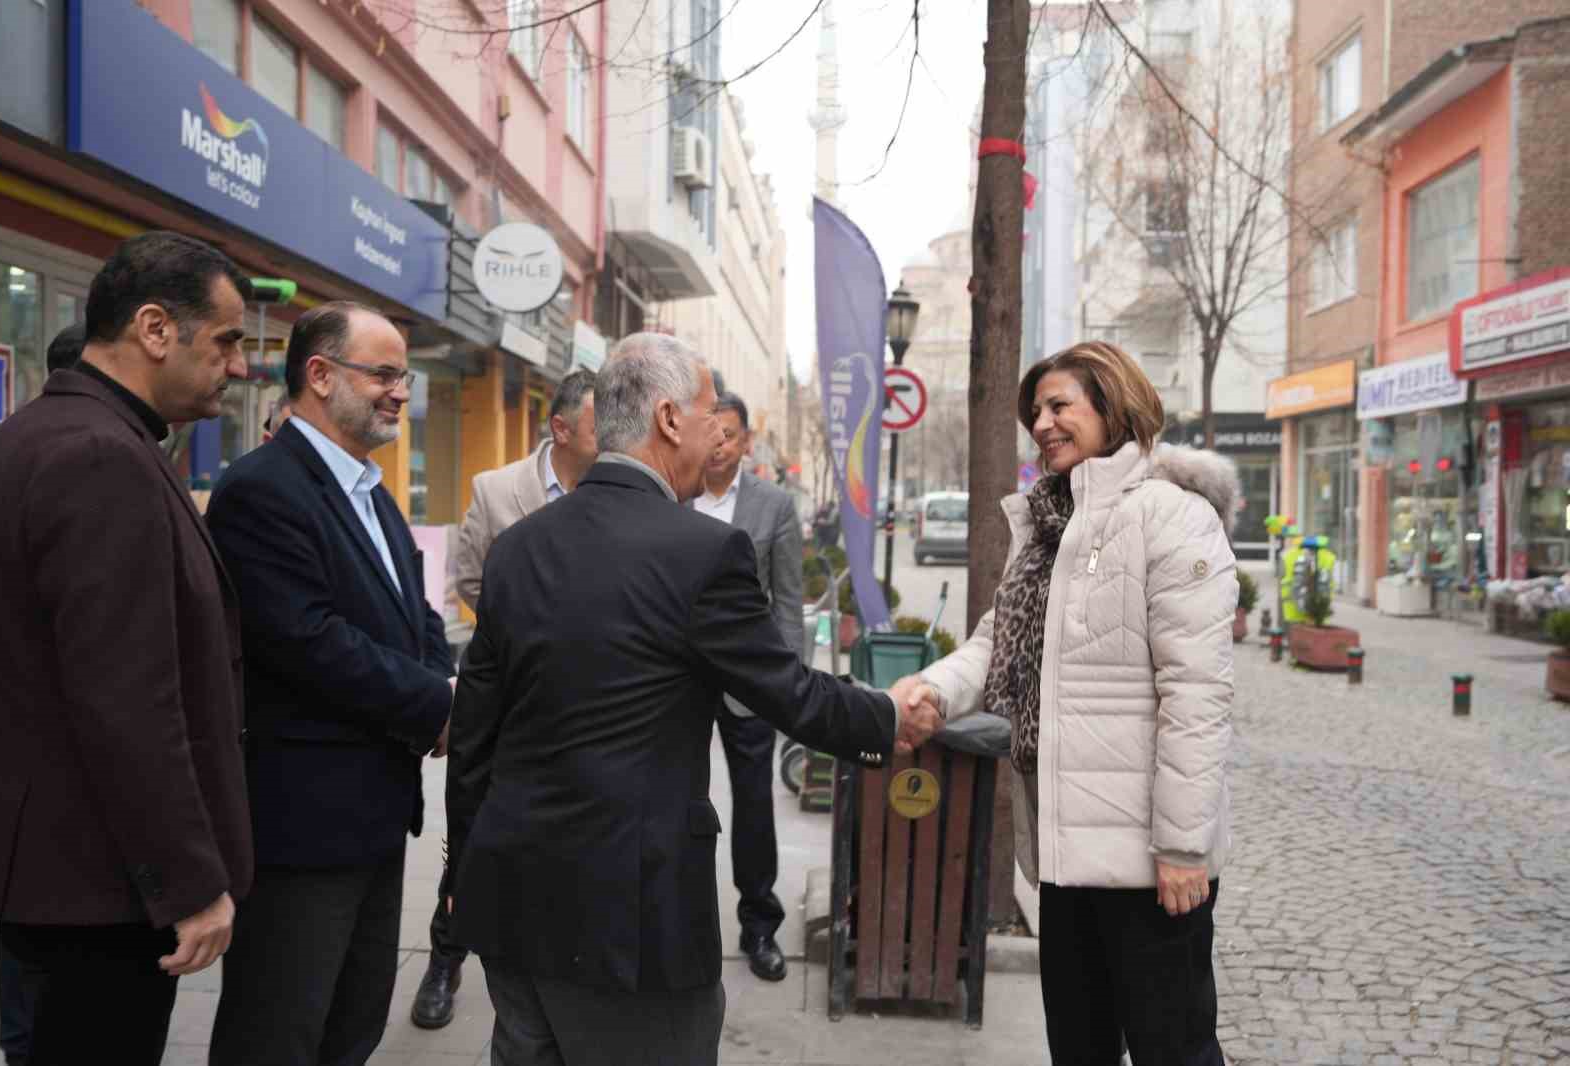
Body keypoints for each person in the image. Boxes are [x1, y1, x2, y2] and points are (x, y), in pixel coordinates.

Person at [446, 332, 943, 1066]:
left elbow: (475, 736)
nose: (721, 432)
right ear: (671, 419)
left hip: (514, 901)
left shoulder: (518, 547)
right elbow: (788, 692)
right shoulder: (702, 552)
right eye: (713, 413)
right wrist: (888, 717)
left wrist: (462, 876)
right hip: (631, 925)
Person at [903, 340, 1237, 1066]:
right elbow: (998, 641)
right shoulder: (1050, 524)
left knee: (1173, 1051)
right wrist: (934, 689)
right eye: (1035, 413)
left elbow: (1197, 697)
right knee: (1078, 1052)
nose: (1043, 424)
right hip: (1064, 852)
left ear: (1113, 406)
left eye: (1060, 406)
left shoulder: (1172, 518)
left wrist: (1183, 846)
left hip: (1150, 867)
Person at [0, 230, 255, 1065]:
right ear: (156, 329)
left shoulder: (48, 432)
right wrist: (191, 885)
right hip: (99, 888)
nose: (238, 366)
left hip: (62, 871)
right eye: (228, 341)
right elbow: (126, 700)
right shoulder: (100, 454)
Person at [205, 301, 456, 1066]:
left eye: (402, 377)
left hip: (375, 817)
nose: (399, 393)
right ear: (319, 375)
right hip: (301, 829)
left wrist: (442, 681)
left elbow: (414, 617)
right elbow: (309, 641)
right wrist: (438, 704)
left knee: (351, 1028)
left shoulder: (371, 491)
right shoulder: (262, 489)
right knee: (278, 1033)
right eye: (383, 373)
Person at [413, 366, 599, 1029]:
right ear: (562, 428)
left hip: (583, 705)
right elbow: (468, 573)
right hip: (507, 693)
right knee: (471, 834)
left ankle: (542, 973)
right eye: (598, 423)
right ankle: (444, 957)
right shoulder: (497, 490)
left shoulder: (618, 490)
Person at [0, 322, 92, 1066]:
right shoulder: (87, 458)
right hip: (59, 794)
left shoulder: (7, 447)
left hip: (10, 785)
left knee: (26, 982)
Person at [692, 391, 803, 982]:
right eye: (710, 431)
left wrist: (787, 686)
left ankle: (759, 924)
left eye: (730, 434)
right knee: (672, 801)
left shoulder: (774, 505)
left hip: (746, 680)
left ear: (745, 442)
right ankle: (678, 925)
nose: (719, 444)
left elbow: (787, 602)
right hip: (678, 677)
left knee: (754, 805)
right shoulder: (671, 494)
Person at [454, 367, 597, 612]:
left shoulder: (623, 493)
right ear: (561, 429)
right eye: (599, 430)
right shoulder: (494, 491)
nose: (613, 439)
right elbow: (471, 583)